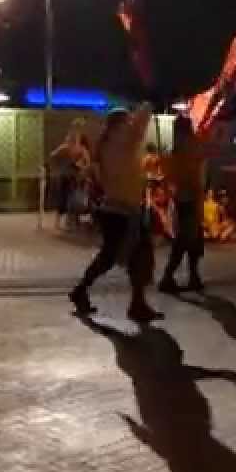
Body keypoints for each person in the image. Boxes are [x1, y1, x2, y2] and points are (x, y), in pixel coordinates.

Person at [69, 103, 161, 322]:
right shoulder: (122, 142)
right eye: (127, 120)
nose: (131, 123)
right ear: (121, 124)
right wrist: (150, 101)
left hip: (118, 209)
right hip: (123, 211)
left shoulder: (109, 145)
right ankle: (84, 291)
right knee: (118, 257)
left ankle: (136, 303)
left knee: (128, 257)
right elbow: (141, 121)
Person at [158, 115, 206, 294]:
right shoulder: (186, 149)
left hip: (184, 198)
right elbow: (193, 176)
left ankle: (193, 276)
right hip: (188, 199)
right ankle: (168, 277)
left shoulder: (178, 149)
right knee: (185, 240)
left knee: (192, 241)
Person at [49, 120, 86, 229]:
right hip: (67, 176)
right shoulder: (66, 147)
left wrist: (81, 166)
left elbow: (87, 161)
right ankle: (61, 222)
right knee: (64, 198)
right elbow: (53, 155)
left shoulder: (80, 149)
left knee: (73, 199)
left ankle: (70, 221)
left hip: (75, 176)